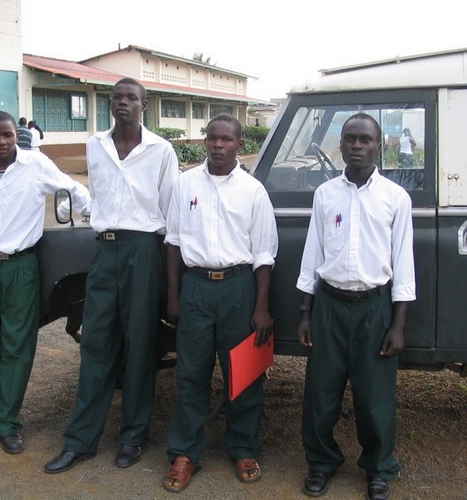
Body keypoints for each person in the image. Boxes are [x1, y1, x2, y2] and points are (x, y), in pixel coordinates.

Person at [43, 78, 179, 474]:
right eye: (117, 97)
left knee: (140, 344)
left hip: (143, 250)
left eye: (131, 98)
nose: (123, 103)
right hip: (104, 250)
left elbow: (170, 213)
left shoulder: (161, 150)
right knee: (96, 344)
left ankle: (133, 438)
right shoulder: (95, 144)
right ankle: (80, 440)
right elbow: (97, 197)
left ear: (143, 105)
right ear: (110, 103)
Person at [0, 110, 91, 455]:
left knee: (17, 344)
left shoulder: (35, 165)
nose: (2, 142)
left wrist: (98, 218)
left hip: (23, 266)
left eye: (7, 135)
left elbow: (72, 188)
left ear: (16, 135)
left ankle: (6, 421)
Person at [296, 113, 415, 500]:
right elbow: (312, 253)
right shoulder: (325, 194)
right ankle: (321, 462)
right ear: (341, 144)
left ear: (379, 146)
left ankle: (379, 468)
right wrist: (305, 313)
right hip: (329, 306)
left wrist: (397, 325)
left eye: (365, 140)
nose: (357, 146)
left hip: (374, 309)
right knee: (320, 393)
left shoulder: (396, 198)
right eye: (350, 139)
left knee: (374, 396)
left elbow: (403, 264)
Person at [162, 114, 278, 493]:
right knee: (191, 374)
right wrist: (175, 297)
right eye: (212, 138)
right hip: (196, 288)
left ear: (238, 144)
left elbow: (263, 253)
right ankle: (185, 453)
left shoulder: (253, 190)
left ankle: (242, 448)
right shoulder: (185, 184)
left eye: (226, 139)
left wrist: (261, 307)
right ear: (205, 141)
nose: (217, 145)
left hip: (238, 288)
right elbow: (174, 243)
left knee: (242, 375)